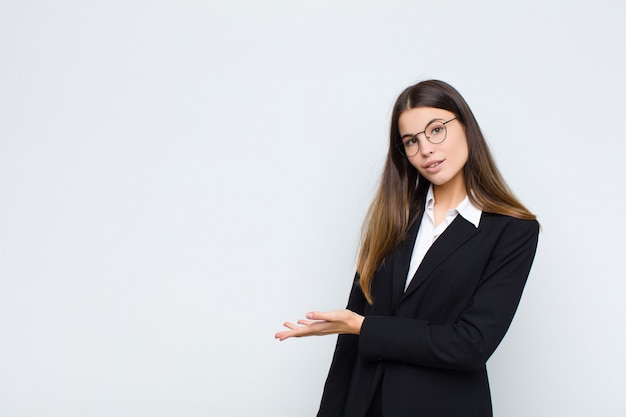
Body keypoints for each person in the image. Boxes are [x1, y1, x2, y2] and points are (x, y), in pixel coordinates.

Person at [275, 80, 539, 417]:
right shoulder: (393, 219)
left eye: (436, 130)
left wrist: (365, 327)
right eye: (411, 141)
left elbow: (472, 344)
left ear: (467, 128)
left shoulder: (513, 231)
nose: (425, 149)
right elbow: (348, 349)